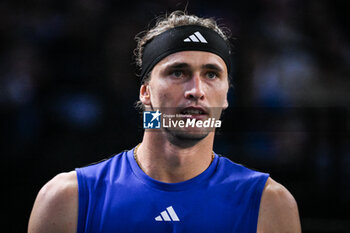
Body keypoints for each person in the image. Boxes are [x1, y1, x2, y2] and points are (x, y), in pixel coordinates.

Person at [28, 10, 301, 233]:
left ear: (226, 95)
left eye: (211, 74)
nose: (196, 89)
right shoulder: (66, 199)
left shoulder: (270, 203)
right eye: (178, 72)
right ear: (145, 93)